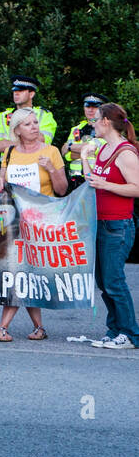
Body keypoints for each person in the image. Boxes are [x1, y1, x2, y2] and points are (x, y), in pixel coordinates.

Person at [0, 107, 67, 342]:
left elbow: (62, 189)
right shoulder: (11, 153)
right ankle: (11, 327)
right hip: (15, 222)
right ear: (17, 130)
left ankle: (30, 327)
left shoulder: (51, 151)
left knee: (29, 275)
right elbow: (3, 182)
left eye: (35, 122)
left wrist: (52, 169)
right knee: (18, 273)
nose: (34, 126)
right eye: (28, 124)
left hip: (42, 223)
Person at [86, 103, 139, 349]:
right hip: (100, 222)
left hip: (117, 225)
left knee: (114, 281)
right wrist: (86, 158)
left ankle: (130, 334)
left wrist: (105, 185)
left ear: (106, 121)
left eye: (95, 119)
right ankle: (115, 329)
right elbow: (94, 181)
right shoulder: (105, 149)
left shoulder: (125, 152)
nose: (92, 123)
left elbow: (136, 187)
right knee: (103, 281)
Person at [0, 75, 56, 167]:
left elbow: (43, 140)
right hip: (8, 168)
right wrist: (28, 142)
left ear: (31, 94)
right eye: (14, 91)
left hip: (35, 166)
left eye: (20, 91)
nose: (16, 93)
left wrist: (9, 144)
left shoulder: (44, 115)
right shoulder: (2, 116)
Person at [62, 93, 106, 178]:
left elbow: (97, 149)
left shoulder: (105, 127)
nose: (90, 110)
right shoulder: (76, 129)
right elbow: (67, 155)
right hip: (76, 179)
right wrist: (88, 152)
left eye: (95, 107)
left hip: (96, 178)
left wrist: (70, 146)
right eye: (87, 106)